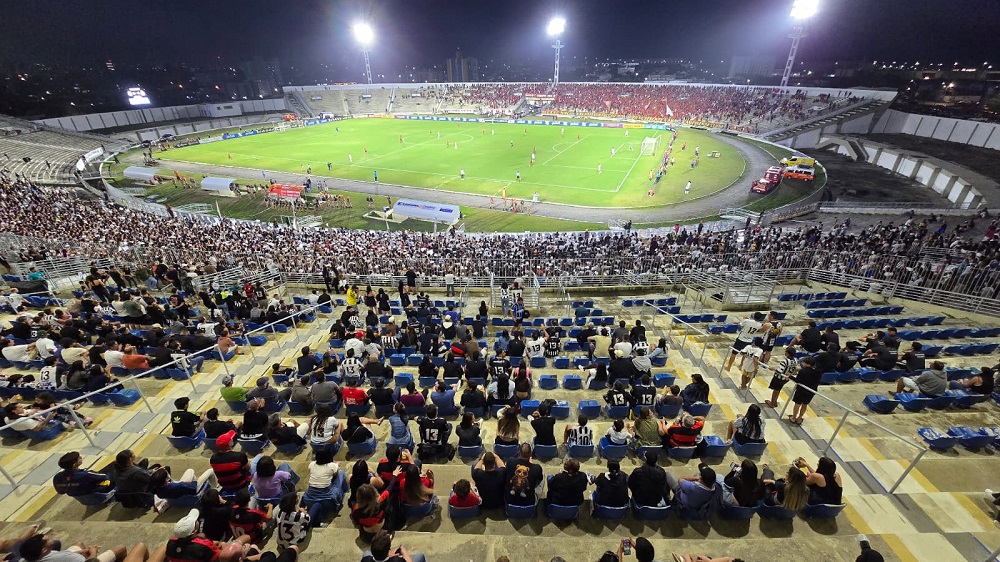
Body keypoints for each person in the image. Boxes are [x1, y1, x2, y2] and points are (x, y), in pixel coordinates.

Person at [302, 446, 348, 526]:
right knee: (341, 473)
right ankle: (343, 493)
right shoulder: (332, 466)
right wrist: (336, 465)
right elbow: (336, 474)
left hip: (310, 497)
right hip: (328, 498)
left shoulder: (311, 464)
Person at [360, 530, 427, 562]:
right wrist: (404, 552)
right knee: (420, 556)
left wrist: (388, 555)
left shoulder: (366, 560)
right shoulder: (396, 561)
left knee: (366, 553)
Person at [789, 356, 820, 425]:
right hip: (811, 391)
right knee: (805, 404)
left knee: (797, 404)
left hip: (801, 391)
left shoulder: (802, 371)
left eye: (803, 362)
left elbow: (798, 381)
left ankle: (794, 417)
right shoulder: (818, 372)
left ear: (807, 363)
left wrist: (790, 376)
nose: (802, 363)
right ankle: (799, 418)